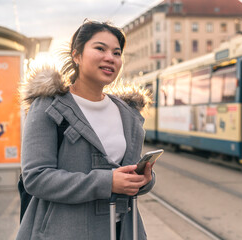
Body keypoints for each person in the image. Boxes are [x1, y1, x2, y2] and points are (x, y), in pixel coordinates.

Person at [16, 19, 154, 240]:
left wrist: (143, 179)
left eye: (117, 53)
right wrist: (107, 182)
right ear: (76, 56)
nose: (110, 57)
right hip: (65, 231)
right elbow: (36, 178)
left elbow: (126, 172)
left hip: (123, 231)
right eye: (100, 48)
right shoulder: (48, 106)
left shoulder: (127, 113)